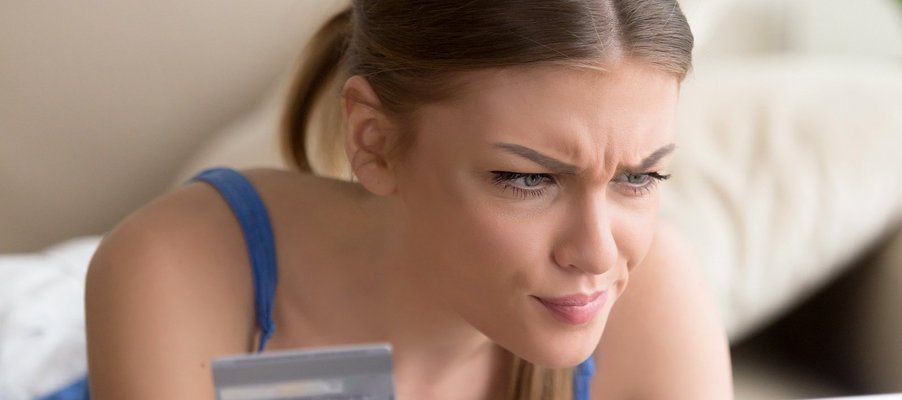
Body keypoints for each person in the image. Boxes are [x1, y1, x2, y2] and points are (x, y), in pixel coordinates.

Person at [80, 0, 732, 399]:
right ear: (374, 141)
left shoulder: (657, 300)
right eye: (526, 179)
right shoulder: (177, 269)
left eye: (639, 179)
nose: (595, 252)